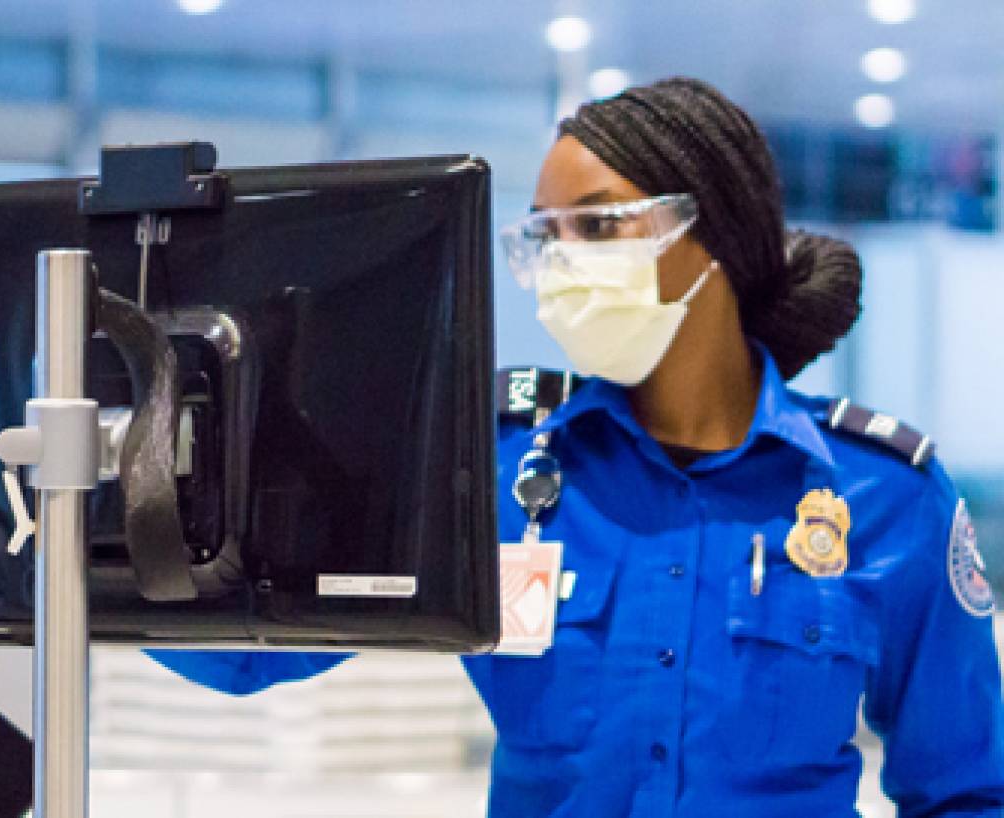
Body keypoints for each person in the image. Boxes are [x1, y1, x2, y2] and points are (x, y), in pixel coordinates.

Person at [148, 77, 1004, 817]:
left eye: (595, 229)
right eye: (545, 236)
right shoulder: (490, 469)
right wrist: (123, 504)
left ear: (711, 240)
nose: (561, 264)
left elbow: (969, 791)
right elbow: (247, 656)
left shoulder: (882, 498)